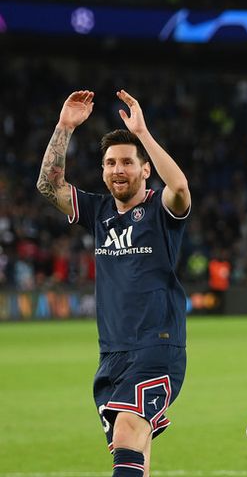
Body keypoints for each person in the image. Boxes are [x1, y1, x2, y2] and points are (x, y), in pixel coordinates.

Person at [36, 89, 191, 477]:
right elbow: (48, 186)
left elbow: (180, 188)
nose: (117, 169)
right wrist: (64, 126)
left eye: (126, 162)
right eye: (110, 163)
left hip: (156, 346)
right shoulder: (98, 211)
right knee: (136, 449)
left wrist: (142, 134)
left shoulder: (160, 210)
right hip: (112, 352)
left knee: (126, 433)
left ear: (145, 169)